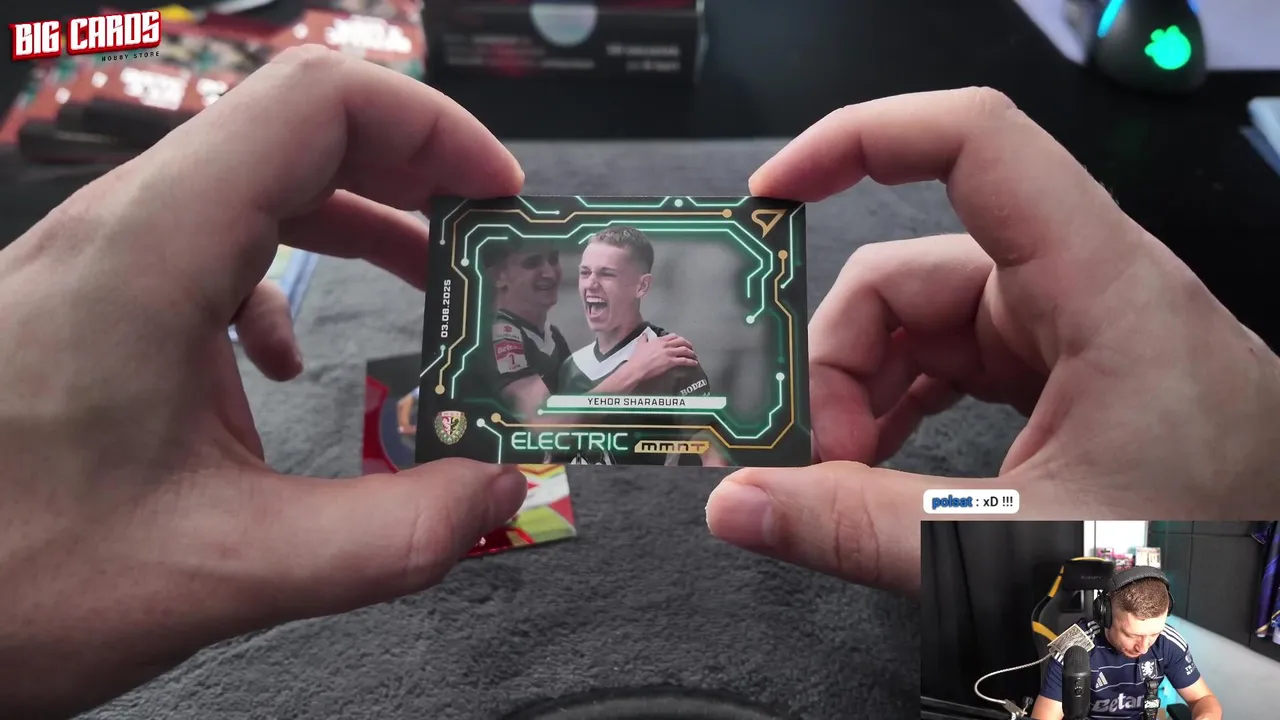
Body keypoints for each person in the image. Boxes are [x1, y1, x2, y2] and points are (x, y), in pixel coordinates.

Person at [0, 46, 1277, 716]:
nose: (596, 292)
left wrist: (1229, 596)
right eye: (586, 280)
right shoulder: (559, 349)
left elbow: (1191, 681)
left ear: (641, 282)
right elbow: (530, 397)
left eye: (612, 279)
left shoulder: (677, 360)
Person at [555, 225, 728, 466]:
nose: (591, 284)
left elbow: (713, 458)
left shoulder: (672, 359)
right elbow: (553, 442)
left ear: (642, 286)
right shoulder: (572, 366)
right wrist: (634, 371)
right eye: (585, 273)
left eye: (607, 274)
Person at [1032, 569, 1221, 720]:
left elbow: (1203, 699)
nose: (1144, 647)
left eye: (1153, 634)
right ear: (1105, 616)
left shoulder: (1168, 642)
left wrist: (1205, 716)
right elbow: (1045, 716)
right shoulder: (1074, 649)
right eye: (1132, 635)